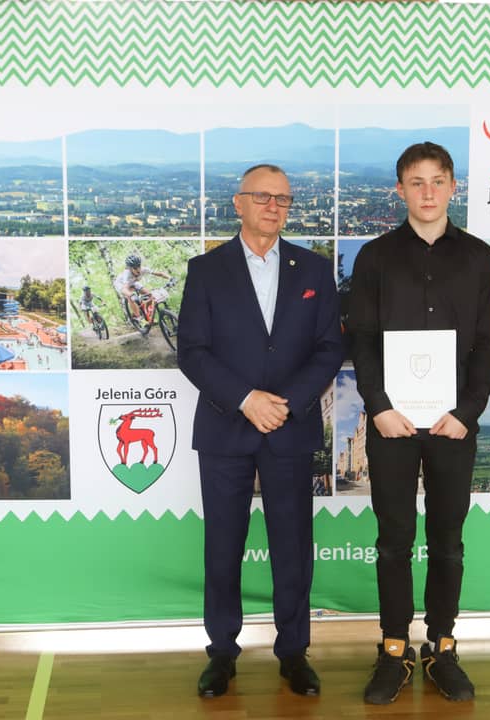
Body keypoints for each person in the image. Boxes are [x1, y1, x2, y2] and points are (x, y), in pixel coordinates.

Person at [177, 164, 342, 698]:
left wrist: (284, 405)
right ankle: (222, 652)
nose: (274, 207)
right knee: (222, 546)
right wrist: (247, 399)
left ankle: (294, 652)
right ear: (239, 203)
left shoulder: (314, 269)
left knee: (292, 547)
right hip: (226, 427)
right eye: (263, 197)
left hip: (289, 429)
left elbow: (329, 350)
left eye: (283, 199)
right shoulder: (206, 270)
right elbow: (192, 352)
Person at [346, 143, 490, 704]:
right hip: (392, 423)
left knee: (448, 543)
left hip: (453, 425)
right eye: (416, 182)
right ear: (400, 190)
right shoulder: (375, 257)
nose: (428, 192)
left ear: (454, 187)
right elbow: (361, 338)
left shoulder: (479, 257)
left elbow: (488, 343)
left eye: (438, 181)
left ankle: (442, 647)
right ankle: (394, 650)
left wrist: (467, 411)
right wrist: (378, 406)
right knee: (393, 542)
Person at [113, 254, 171, 333]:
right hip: (121, 284)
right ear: (130, 268)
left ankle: (146, 314)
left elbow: (159, 273)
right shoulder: (127, 274)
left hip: (133, 282)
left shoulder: (143, 269)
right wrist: (131, 295)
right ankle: (139, 318)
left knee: (150, 295)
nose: (138, 270)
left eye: (139, 266)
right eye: (135, 268)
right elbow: (125, 288)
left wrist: (170, 278)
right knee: (130, 296)